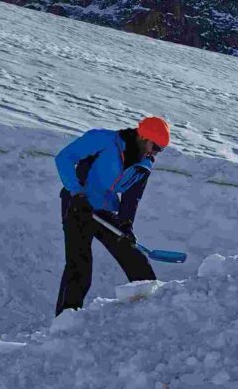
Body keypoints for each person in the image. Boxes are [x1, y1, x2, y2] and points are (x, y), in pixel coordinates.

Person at [53, 117, 170, 315]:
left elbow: (131, 198)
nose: (155, 153)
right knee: (79, 268)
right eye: (156, 147)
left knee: (136, 260)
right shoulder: (104, 140)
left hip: (103, 211)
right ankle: (64, 324)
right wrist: (76, 192)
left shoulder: (144, 165)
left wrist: (126, 224)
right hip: (77, 205)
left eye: (160, 150)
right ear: (143, 136)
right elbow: (64, 158)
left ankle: (154, 312)